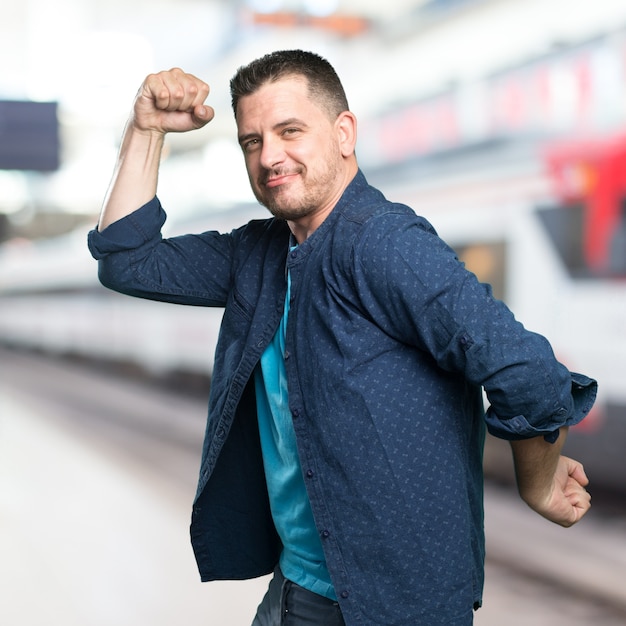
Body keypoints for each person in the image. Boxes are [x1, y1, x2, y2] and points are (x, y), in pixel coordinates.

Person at [88, 50, 597, 625]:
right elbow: (126, 259)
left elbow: (526, 372)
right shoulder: (256, 255)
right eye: (251, 141)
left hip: (397, 607)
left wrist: (538, 480)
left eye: (289, 131)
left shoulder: (384, 244)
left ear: (344, 133)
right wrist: (146, 127)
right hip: (295, 591)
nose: (269, 156)